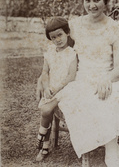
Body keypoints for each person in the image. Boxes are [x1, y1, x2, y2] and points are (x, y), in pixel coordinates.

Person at [37, 0, 119, 167]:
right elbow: (54, 49)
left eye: (97, 0)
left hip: (109, 76)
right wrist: (43, 74)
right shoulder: (74, 26)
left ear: (105, 0)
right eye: (88, 0)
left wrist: (106, 79)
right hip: (80, 77)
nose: (92, 5)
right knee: (80, 98)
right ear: (83, 1)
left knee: (108, 96)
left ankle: (111, 150)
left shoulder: (115, 29)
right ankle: (102, 146)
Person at [36, 17, 77, 162]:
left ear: (67, 33)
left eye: (59, 35)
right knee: (46, 111)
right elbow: (45, 72)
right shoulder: (50, 51)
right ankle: (45, 146)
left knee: (46, 110)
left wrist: (57, 87)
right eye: (53, 37)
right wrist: (46, 87)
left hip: (66, 88)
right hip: (51, 88)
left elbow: (71, 76)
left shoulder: (72, 53)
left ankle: (41, 136)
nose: (57, 40)